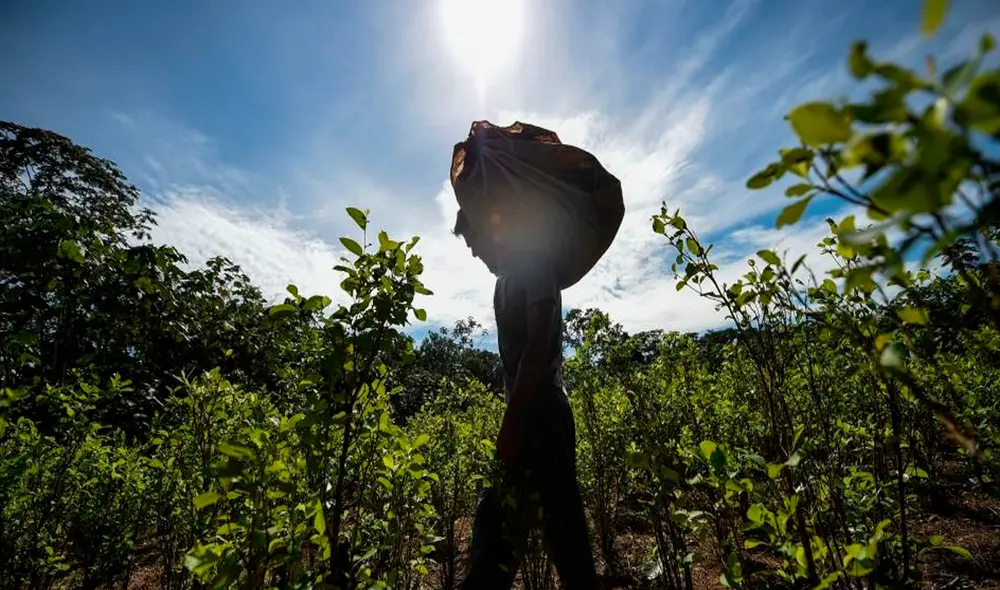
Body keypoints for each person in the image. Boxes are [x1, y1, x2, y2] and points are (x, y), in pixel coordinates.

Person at [452, 208, 599, 590]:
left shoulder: (535, 263)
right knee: (497, 521)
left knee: (563, 534)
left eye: (474, 240)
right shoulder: (504, 280)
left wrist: (513, 421)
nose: (473, 251)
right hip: (528, 416)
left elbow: (538, 346)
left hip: (544, 419)